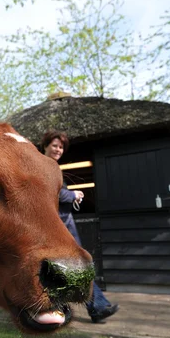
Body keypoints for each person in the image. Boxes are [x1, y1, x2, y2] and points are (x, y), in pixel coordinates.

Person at [41, 130, 119, 324]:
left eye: (61, 147)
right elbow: (51, 194)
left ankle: (92, 307)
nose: (58, 149)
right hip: (57, 225)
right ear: (45, 145)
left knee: (68, 267)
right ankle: (93, 307)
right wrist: (73, 195)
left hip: (63, 222)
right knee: (73, 266)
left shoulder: (52, 167)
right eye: (55, 145)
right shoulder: (43, 167)